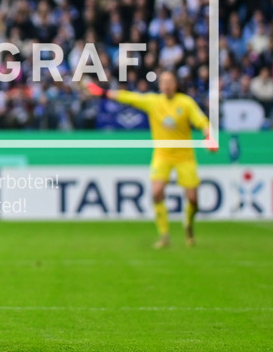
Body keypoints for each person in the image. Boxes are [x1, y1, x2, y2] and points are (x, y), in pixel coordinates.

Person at [88, 71, 217, 248]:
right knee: (156, 192)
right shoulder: (153, 102)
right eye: (163, 82)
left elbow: (201, 121)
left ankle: (188, 224)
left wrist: (208, 134)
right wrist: (103, 93)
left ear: (175, 84)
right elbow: (128, 97)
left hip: (184, 156)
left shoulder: (185, 102)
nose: (167, 85)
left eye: (170, 81)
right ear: (160, 85)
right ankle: (164, 235)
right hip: (162, 155)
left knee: (193, 199)